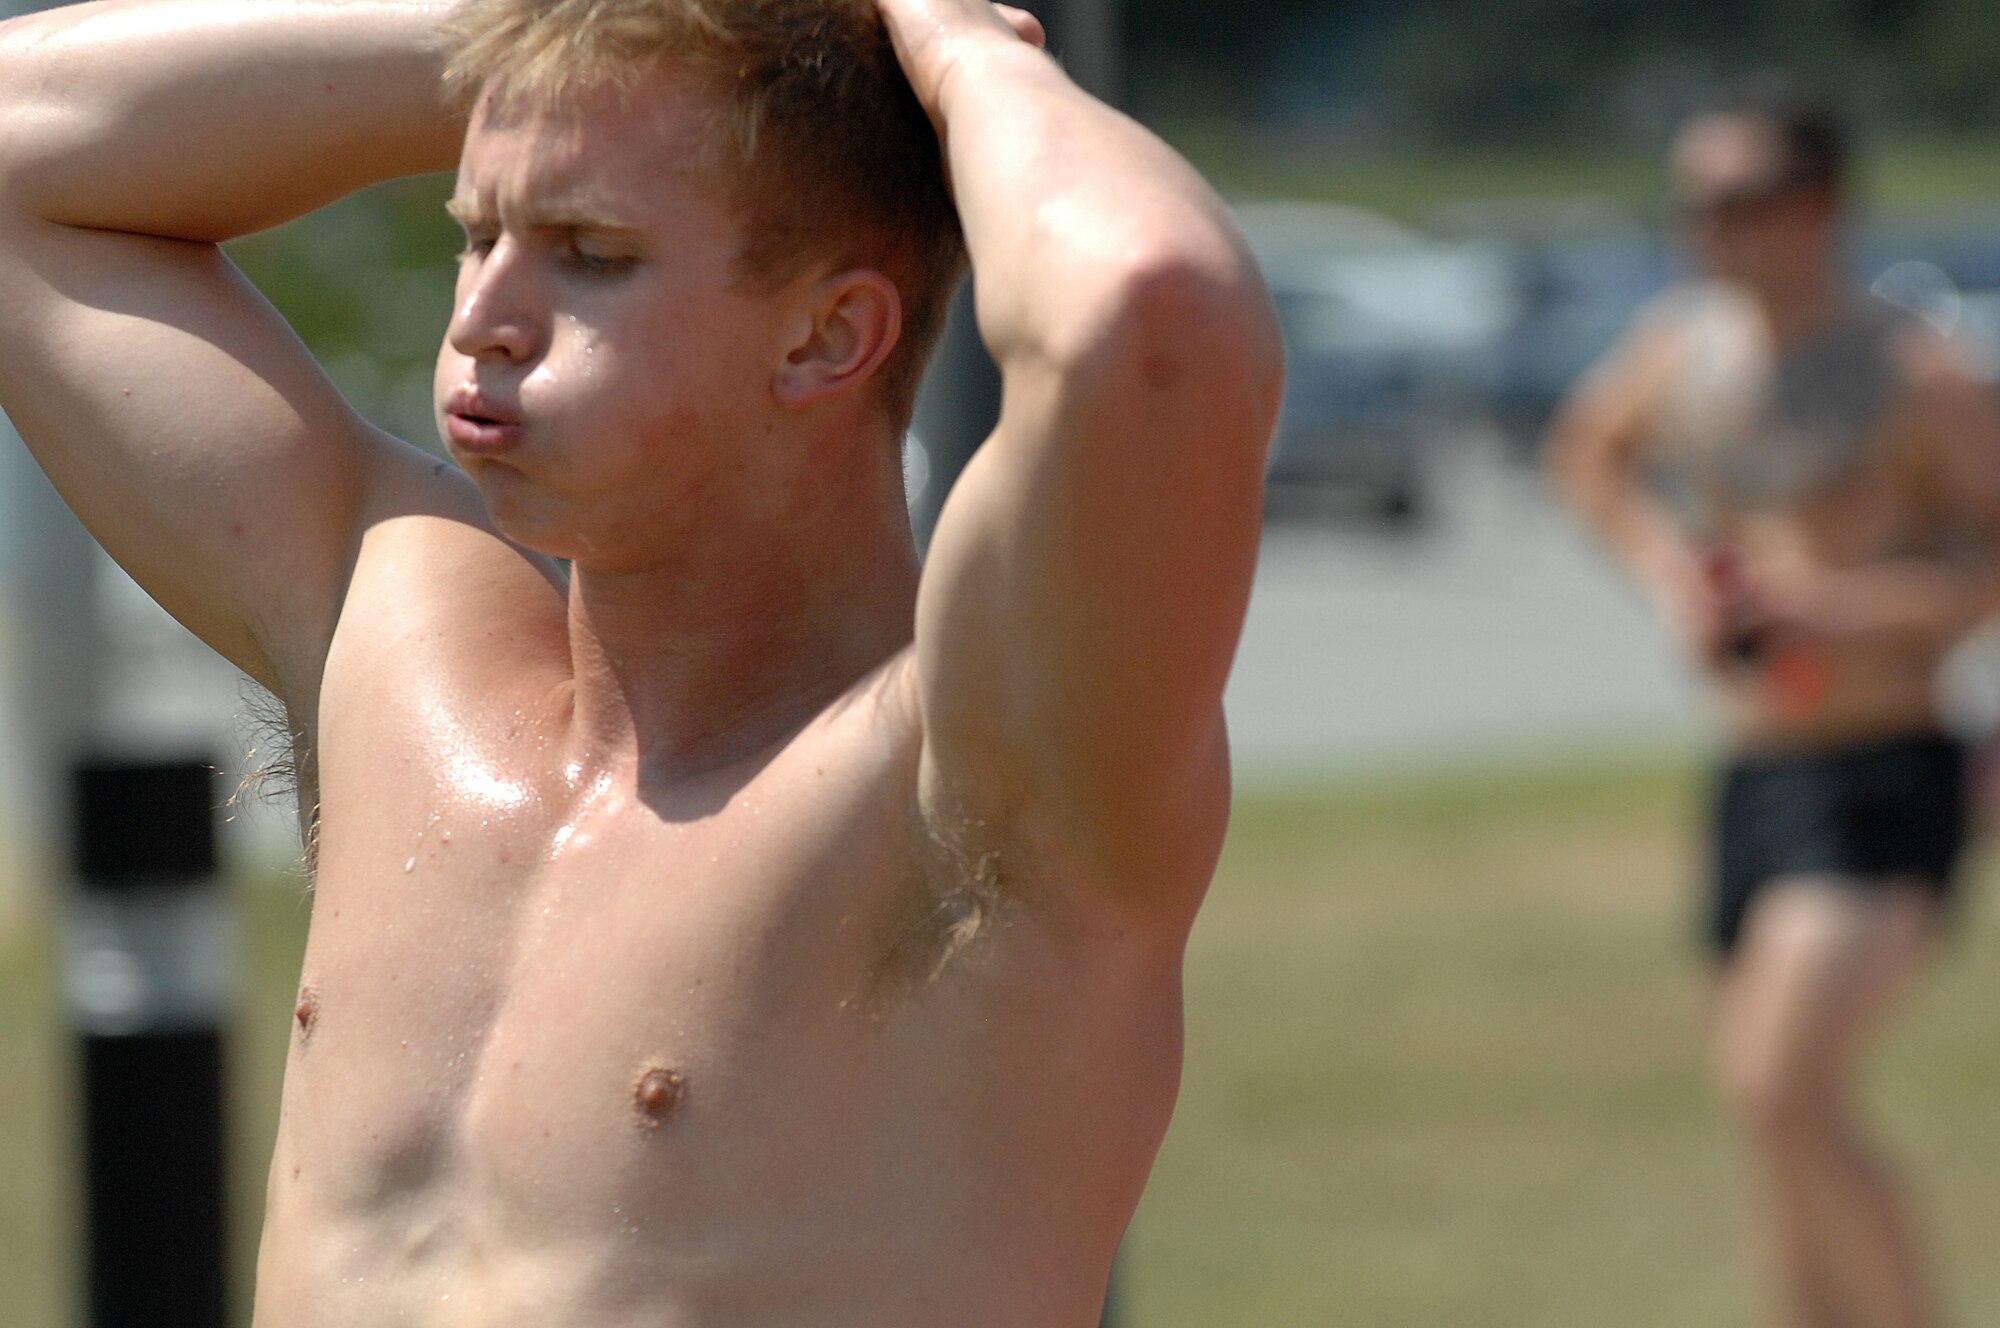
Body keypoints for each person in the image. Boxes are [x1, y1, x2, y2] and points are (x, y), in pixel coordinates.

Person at [0, 0, 1282, 1320]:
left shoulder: (974, 781)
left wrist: (958, 53)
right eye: (478, 236)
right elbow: (19, 151)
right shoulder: (400, 661)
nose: (485, 319)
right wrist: (555, 39)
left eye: (589, 253)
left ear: (825, 337)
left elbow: (1155, 315)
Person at [1550, 78, 2000, 1328]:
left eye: (1731, 199)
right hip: (1754, 767)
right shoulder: (1685, 347)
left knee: (1781, 1087)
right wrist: (1670, 578)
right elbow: (1586, 453)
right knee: (1772, 1134)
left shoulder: (1920, 372)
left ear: (1817, 206)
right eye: (1687, 199)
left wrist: (1843, 609)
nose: (1698, 226)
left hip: (1885, 764)